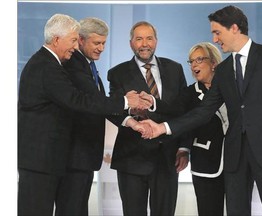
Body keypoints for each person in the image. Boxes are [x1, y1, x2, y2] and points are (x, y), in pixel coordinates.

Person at [141, 5, 262, 216]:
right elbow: (203, 111)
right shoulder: (224, 70)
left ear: (235, 28)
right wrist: (162, 128)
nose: (216, 39)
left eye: (217, 32)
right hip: (235, 154)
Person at [18, 14, 151, 216]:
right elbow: (80, 101)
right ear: (57, 39)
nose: (74, 46)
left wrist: (129, 119)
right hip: (44, 159)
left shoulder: (54, 64)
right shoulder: (51, 66)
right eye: (73, 40)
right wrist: (125, 101)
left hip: (51, 159)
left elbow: (90, 102)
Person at [107, 21, 190, 216]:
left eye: (149, 38)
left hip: (168, 157)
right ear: (131, 44)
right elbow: (114, 110)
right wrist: (132, 112)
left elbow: (185, 110)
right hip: (132, 158)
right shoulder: (117, 73)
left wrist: (184, 148)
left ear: (156, 42)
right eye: (139, 39)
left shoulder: (175, 69)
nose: (145, 43)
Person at [54, 17, 111, 216]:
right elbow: (95, 101)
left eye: (104, 43)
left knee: (79, 209)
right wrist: (127, 104)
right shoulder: (73, 65)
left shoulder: (88, 66)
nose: (101, 48)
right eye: (97, 43)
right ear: (80, 40)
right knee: (70, 209)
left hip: (85, 155)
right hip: (74, 155)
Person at [184, 42, 227, 216]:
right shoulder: (188, 94)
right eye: (191, 61)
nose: (194, 64)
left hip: (236, 162)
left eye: (199, 59)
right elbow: (180, 121)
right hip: (205, 162)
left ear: (214, 63)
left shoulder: (232, 88)